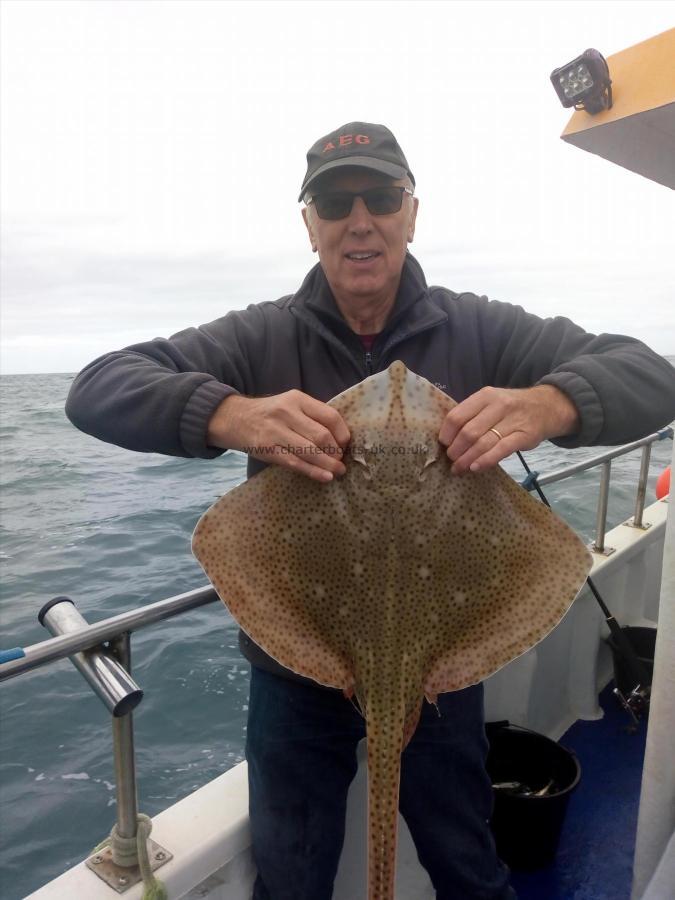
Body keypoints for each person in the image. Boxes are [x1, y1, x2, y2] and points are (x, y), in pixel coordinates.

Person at [66, 121, 675, 900]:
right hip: (297, 659)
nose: (360, 219)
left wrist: (553, 401)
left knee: (463, 852)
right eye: (334, 201)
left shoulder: (480, 328)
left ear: (411, 213)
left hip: (437, 662)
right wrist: (227, 414)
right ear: (309, 225)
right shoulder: (260, 337)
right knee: (291, 870)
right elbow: (98, 386)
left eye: (381, 197)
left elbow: (648, 374)